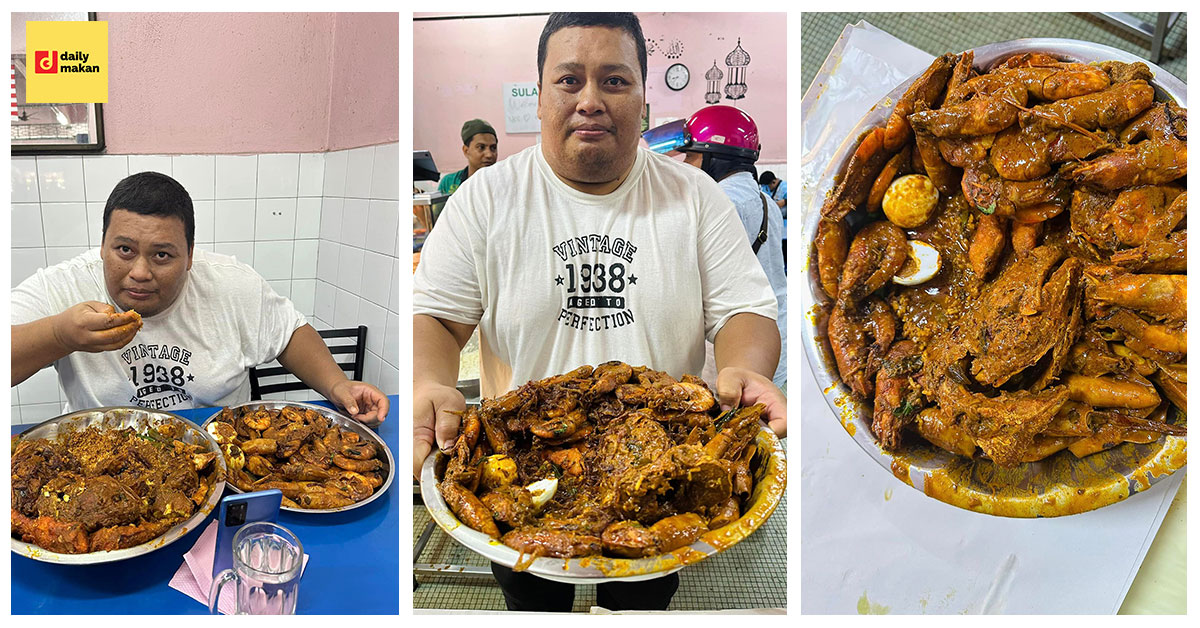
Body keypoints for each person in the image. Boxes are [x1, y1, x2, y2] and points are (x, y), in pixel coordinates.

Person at [413, 12, 785, 612]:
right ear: (538, 97)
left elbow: (744, 309)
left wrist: (745, 366)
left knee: (645, 600)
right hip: (524, 467)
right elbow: (436, 317)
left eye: (614, 80)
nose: (590, 100)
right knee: (532, 604)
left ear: (643, 97)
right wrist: (430, 381)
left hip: (660, 469)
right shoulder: (485, 198)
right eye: (569, 80)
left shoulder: (695, 197)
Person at [11, 172, 389, 424]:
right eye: (124, 250)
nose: (140, 271)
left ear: (190, 255)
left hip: (221, 453)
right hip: (99, 457)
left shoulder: (231, 284)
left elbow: (289, 333)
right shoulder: (64, 285)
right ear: (102, 246)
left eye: (162, 255)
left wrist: (338, 386)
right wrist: (60, 336)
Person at [650, 105, 787, 389]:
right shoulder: (765, 202)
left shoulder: (720, 204)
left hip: (746, 351)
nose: (685, 164)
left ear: (716, 158)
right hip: (777, 336)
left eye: (691, 155)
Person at [437, 118, 499, 195]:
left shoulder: (504, 182)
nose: (489, 154)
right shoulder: (449, 182)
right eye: (481, 147)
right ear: (466, 151)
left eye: (493, 148)